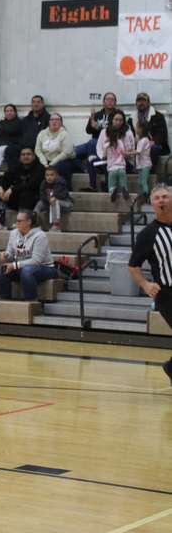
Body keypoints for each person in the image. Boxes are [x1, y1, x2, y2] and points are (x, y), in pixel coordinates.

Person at [128, 185, 172, 383]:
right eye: (157, 198)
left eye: (165, 197)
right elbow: (133, 266)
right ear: (152, 204)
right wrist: (145, 284)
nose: (161, 200)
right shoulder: (148, 234)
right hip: (167, 294)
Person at [0, 210, 54, 301]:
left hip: (45, 267)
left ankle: (31, 300)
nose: (17, 223)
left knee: (27, 271)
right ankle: (4, 298)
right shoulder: (14, 233)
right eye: (16, 221)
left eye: (19, 221)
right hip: (22, 266)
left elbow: (36, 261)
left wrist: (14, 265)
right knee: (2, 269)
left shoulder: (40, 236)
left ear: (29, 222)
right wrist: (7, 255)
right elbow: (11, 253)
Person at [0, 146, 45, 228]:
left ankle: (22, 221)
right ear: (20, 157)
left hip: (34, 199)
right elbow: (3, 179)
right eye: (23, 155)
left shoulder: (40, 168)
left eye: (28, 154)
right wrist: (0, 187)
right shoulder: (17, 167)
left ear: (34, 156)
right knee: (0, 193)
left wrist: (12, 189)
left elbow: (32, 185)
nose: (26, 157)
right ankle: (0, 222)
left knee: (26, 193)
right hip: (18, 199)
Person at [87, 109, 133, 193]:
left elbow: (129, 151)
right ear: (111, 120)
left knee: (109, 164)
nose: (118, 122)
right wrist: (103, 156)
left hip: (122, 161)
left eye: (120, 120)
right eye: (116, 120)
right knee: (91, 159)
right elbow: (99, 147)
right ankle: (92, 186)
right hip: (107, 159)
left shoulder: (127, 132)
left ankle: (109, 186)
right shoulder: (104, 131)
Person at [75, 92, 119, 181]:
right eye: (108, 99)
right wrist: (91, 117)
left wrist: (98, 128)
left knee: (91, 142)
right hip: (96, 142)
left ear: (115, 103)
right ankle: (84, 168)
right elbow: (88, 130)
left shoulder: (117, 115)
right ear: (103, 102)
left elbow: (113, 132)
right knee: (73, 151)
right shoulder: (98, 114)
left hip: (108, 142)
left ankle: (95, 166)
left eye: (112, 99)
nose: (110, 101)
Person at [34, 113, 79, 189]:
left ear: (61, 122)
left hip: (63, 161)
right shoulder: (42, 133)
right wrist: (44, 163)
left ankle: (66, 190)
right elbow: (37, 150)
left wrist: (52, 164)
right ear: (49, 122)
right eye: (52, 119)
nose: (54, 121)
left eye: (57, 120)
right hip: (45, 161)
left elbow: (66, 153)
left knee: (61, 166)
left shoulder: (65, 134)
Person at [4, 95, 50, 168]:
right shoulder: (26, 120)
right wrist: (22, 143)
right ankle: (17, 171)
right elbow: (19, 134)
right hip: (24, 146)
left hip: (39, 147)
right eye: (34, 102)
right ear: (31, 104)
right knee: (9, 150)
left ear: (42, 104)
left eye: (38, 102)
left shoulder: (48, 119)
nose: (36, 104)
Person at [98, 118, 134, 202]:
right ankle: (124, 189)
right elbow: (123, 152)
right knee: (124, 185)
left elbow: (104, 156)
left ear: (107, 135)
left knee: (111, 186)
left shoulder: (106, 145)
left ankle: (113, 190)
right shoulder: (120, 142)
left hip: (112, 169)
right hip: (122, 168)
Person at [134, 92, 169, 171]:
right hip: (138, 144)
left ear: (149, 103)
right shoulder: (132, 118)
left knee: (153, 148)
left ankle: (151, 173)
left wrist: (154, 141)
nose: (141, 103)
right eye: (139, 101)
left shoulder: (158, 116)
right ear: (136, 103)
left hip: (154, 145)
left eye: (144, 100)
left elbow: (163, 134)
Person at [35, 165, 73, 231]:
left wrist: (49, 198)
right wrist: (48, 199)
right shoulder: (44, 183)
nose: (49, 177)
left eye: (52, 175)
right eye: (47, 175)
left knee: (54, 201)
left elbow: (58, 195)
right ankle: (35, 222)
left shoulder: (60, 182)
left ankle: (56, 225)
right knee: (40, 203)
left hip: (66, 203)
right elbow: (42, 195)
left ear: (56, 175)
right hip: (51, 203)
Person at [135, 120, 153, 200]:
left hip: (146, 164)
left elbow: (138, 152)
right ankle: (143, 196)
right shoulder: (140, 140)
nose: (135, 129)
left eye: (136, 127)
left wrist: (127, 153)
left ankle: (147, 198)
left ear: (140, 129)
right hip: (141, 164)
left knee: (143, 182)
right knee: (139, 182)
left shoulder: (144, 140)